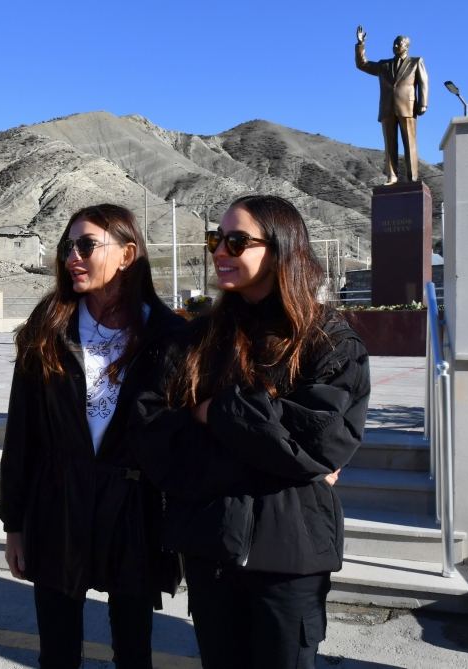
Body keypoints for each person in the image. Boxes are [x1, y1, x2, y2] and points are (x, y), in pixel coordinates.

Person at [135, 195, 370, 669]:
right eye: (215, 239)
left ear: (281, 248)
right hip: (210, 549)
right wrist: (274, 446)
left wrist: (213, 413)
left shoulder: (328, 341)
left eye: (237, 241)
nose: (220, 250)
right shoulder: (194, 340)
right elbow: (153, 433)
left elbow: (318, 441)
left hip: (291, 556)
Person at [0, 204, 184, 669]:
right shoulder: (49, 329)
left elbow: (186, 434)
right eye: (67, 247)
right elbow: (22, 433)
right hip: (59, 503)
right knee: (57, 650)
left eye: (86, 245)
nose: (72, 257)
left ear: (127, 255)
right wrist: (13, 524)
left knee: (134, 649)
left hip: (133, 509)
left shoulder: (170, 336)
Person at [355, 25, 428, 184]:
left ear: (406, 46)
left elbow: (423, 82)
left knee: (410, 143)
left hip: (407, 108)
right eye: (394, 43)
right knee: (389, 145)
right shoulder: (384, 65)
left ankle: (412, 176)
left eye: (398, 44)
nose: (395, 46)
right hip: (387, 108)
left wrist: (423, 103)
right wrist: (360, 44)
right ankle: (392, 176)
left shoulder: (416, 61)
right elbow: (363, 64)